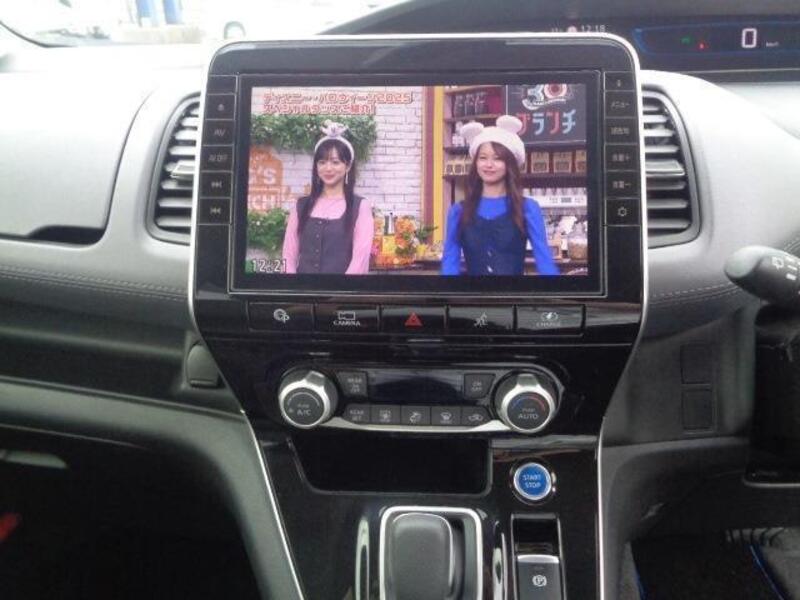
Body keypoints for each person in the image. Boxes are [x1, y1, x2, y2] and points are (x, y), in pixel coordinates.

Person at [441, 115, 558, 276]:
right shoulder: (458, 211)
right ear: (476, 163)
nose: (489, 165)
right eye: (483, 158)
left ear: (510, 164)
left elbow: (545, 262)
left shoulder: (528, 208)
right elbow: (450, 263)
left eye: (497, 159)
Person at [282, 121, 374, 274]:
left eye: (335, 162)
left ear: (348, 166)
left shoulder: (360, 207)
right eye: (322, 162)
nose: (328, 168)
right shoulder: (300, 205)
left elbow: (360, 260)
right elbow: (288, 255)